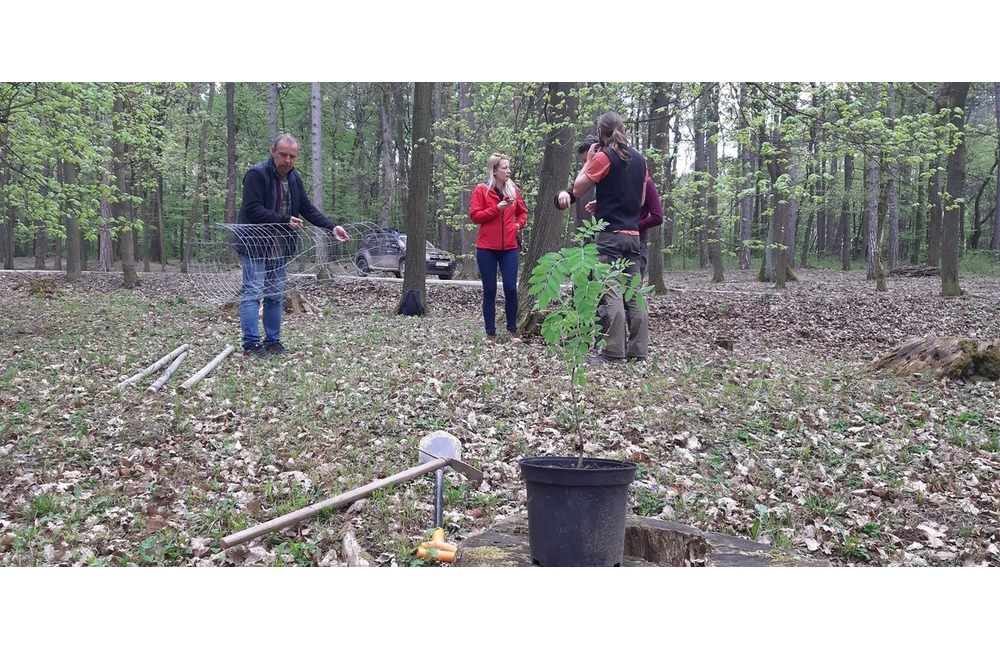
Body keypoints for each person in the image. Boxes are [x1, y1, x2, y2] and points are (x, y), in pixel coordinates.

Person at [232, 134, 349, 358]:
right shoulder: (256, 175)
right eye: (283, 155)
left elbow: (306, 208)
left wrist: (331, 227)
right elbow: (252, 209)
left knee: (275, 296)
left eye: (292, 156)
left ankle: (273, 342)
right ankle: (251, 345)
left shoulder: (294, 179)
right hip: (255, 246)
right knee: (252, 294)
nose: (287, 160)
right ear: (273, 152)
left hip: (280, 247)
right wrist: (285, 219)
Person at [556, 112, 649, 362]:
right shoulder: (640, 159)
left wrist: (590, 161)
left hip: (610, 236)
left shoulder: (604, 157)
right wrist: (605, 201)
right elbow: (639, 201)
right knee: (634, 293)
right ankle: (639, 353)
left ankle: (613, 352)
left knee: (612, 293)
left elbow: (577, 188)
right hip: (634, 236)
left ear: (600, 132)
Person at [469, 153, 529, 342]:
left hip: (510, 247)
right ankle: (490, 333)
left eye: (509, 167)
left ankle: (512, 330)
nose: (508, 171)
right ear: (494, 171)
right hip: (486, 248)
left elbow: (523, 212)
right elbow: (475, 216)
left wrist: (518, 225)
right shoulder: (481, 190)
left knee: (511, 288)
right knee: (490, 291)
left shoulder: (514, 191)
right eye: (504, 168)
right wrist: (497, 208)